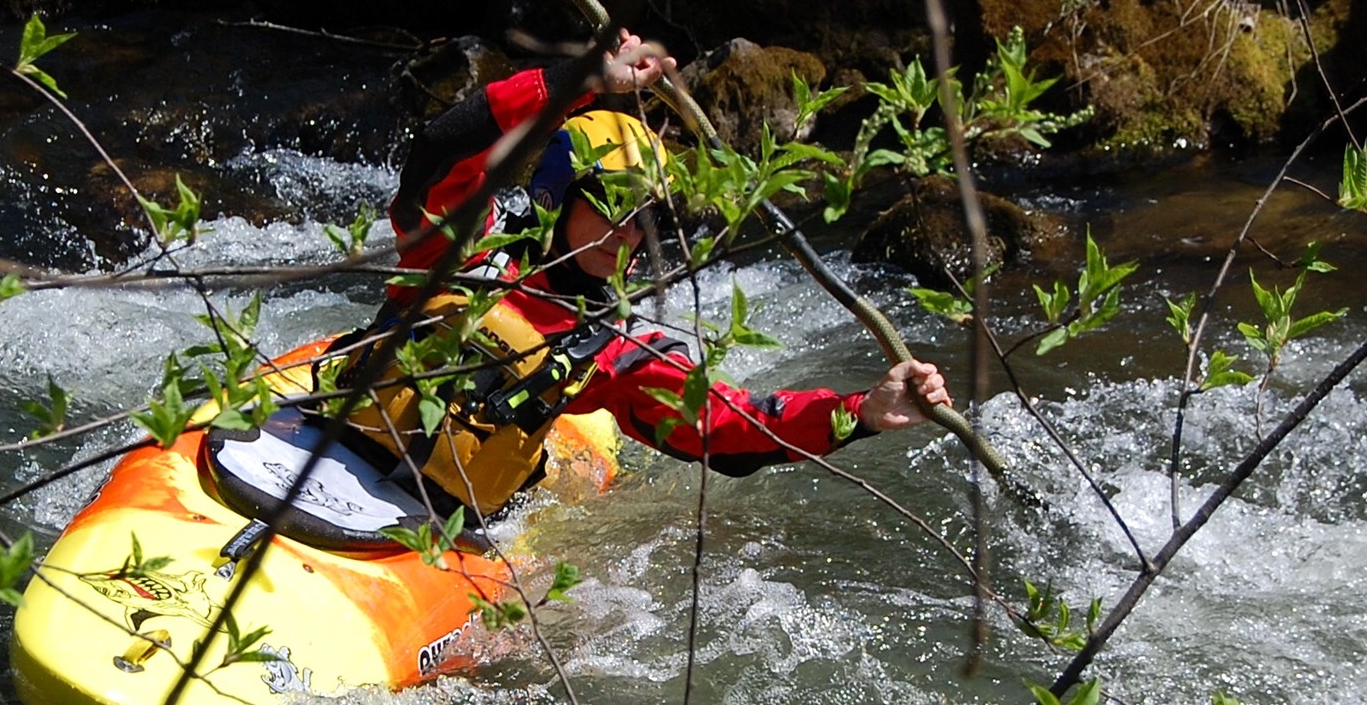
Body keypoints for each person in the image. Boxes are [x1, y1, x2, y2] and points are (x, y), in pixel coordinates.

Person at [328, 30, 952, 523]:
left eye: (644, 219)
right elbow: (440, 146)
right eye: (608, 207)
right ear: (558, 195)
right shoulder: (465, 243)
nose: (626, 234)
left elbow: (727, 422)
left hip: (435, 518)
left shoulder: (606, 347)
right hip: (322, 437)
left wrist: (860, 411)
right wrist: (581, 80)